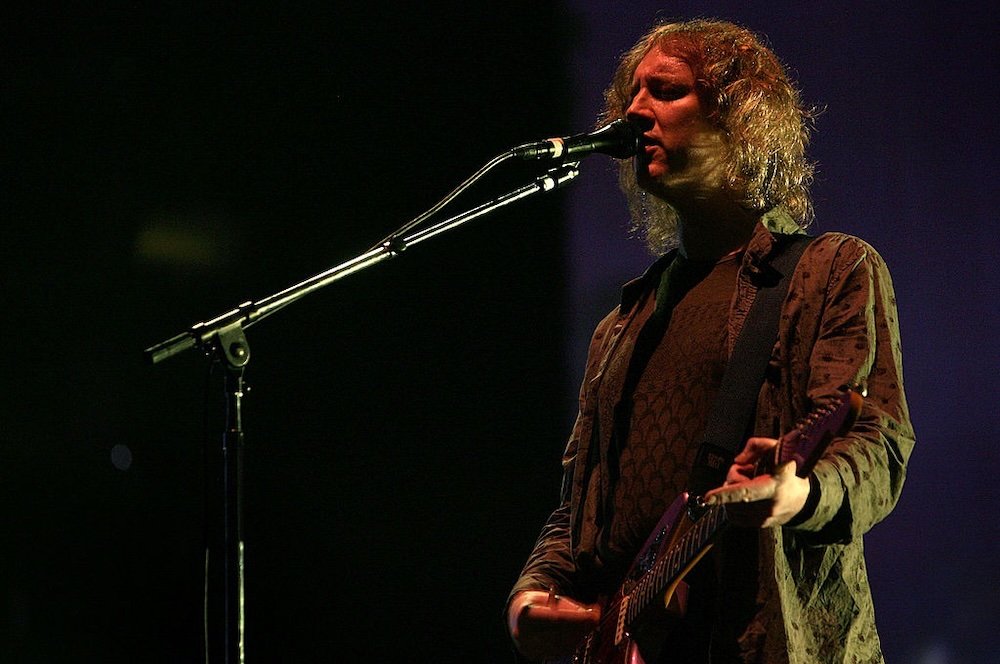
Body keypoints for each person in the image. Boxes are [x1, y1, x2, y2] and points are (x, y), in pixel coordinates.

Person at [506, 18, 914, 664]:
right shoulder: (620, 327)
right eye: (631, 93)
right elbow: (578, 510)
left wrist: (801, 493)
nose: (634, 111)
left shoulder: (829, 271)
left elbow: (878, 444)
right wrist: (533, 592)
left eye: (666, 91)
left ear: (740, 117)